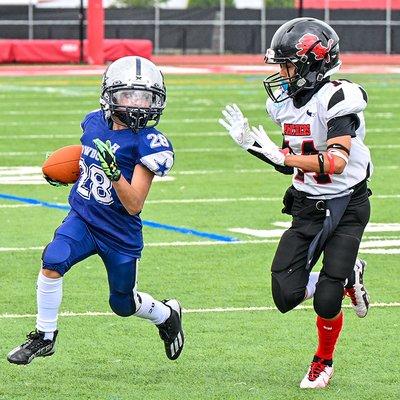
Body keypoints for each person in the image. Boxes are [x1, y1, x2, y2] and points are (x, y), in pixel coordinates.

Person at [219, 17, 371, 389]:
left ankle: (323, 360)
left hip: (347, 204)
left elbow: (335, 163)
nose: (282, 73)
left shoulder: (338, 98)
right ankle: (350, 273)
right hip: (307, 205)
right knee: (285, 294)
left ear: (311, 64)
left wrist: (284, 157)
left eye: (288, 65)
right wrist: (252, 146)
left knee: (327, 299)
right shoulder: (286, 104)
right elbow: (288, 162)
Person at [7, 56, 184, 365]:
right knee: (53, 259)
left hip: (118, 232)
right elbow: (86, 158)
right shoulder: (93, 122)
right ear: (110, 95)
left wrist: (115, 174)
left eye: (146, 97)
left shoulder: (149, 142)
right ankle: (45, 335)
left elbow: (134, 204)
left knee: (122, 304)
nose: (138, 104)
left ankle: (166, 314)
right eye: (129, 95)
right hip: (84, 219)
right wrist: (69, 171)